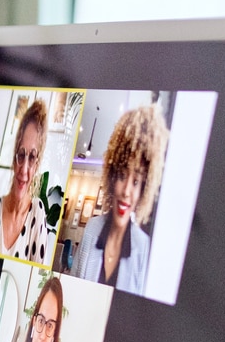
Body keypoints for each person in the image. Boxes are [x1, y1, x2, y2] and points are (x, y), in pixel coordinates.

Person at [70, 103, 168, 294]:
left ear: (144, 190)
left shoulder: (144, 249)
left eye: (137, 181)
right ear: (112, 176)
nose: (126, 192)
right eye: (122, 176)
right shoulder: (91, 229)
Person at [0, 97, 55, 264]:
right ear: (14, 157)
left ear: (38, 163)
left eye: (32, 157)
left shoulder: (37, 213)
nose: (24, 169)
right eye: (21, 155)